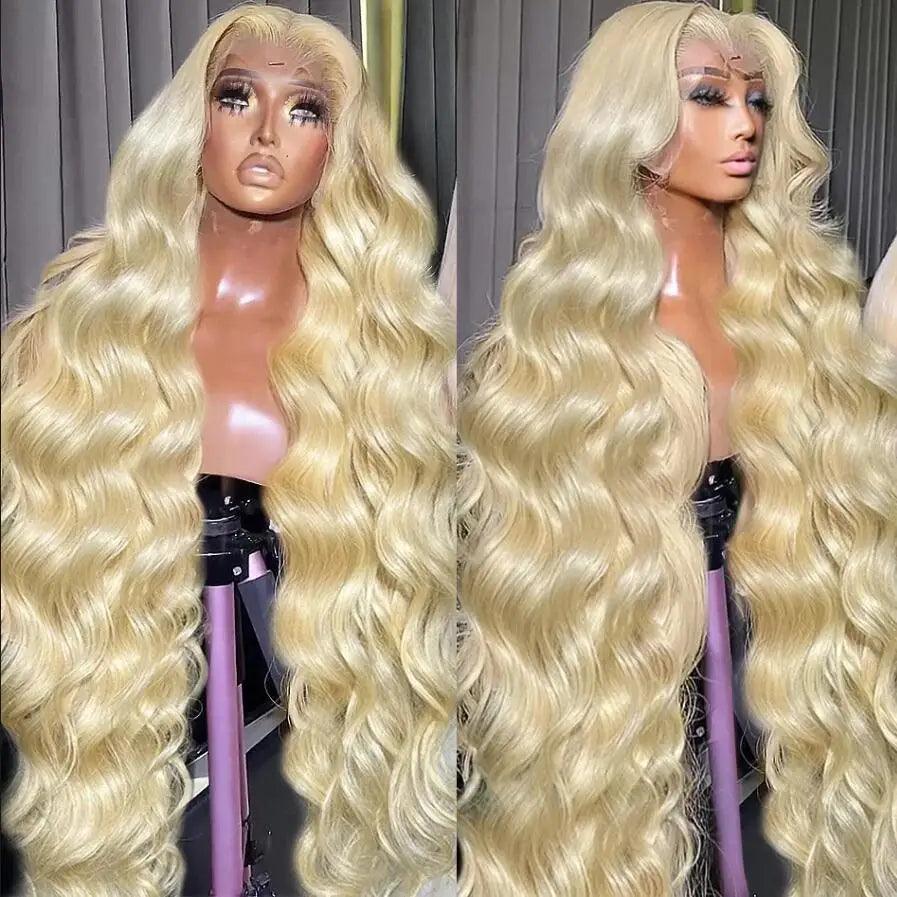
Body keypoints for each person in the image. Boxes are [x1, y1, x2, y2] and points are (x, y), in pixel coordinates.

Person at [0, 6, 455, 897]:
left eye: (305, 109)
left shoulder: (386, 360)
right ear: (193, 120)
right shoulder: (74, 340)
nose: (264, 132)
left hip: (302, 756)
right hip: (117, 737)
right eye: (236, 96)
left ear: (340, 147)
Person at [457, 4, 897, 897]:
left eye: (756, 100)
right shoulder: (563, 351)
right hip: (627, 690)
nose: (745, 124)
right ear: (630, 117)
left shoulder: (798, 318)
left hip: (771, 650)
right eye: (708, 96)